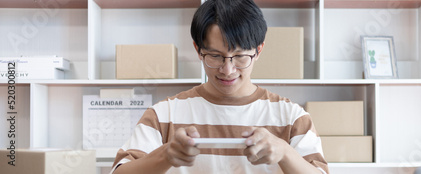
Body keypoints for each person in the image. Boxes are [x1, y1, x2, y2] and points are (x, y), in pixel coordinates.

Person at [111, 0, 328, 173]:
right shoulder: (162, 115)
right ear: (198, 49)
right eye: (215, 56)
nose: (228, 70)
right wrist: (166, 155)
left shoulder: (292, 118)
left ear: (259, 50)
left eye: (240, 56)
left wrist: (285, 153)